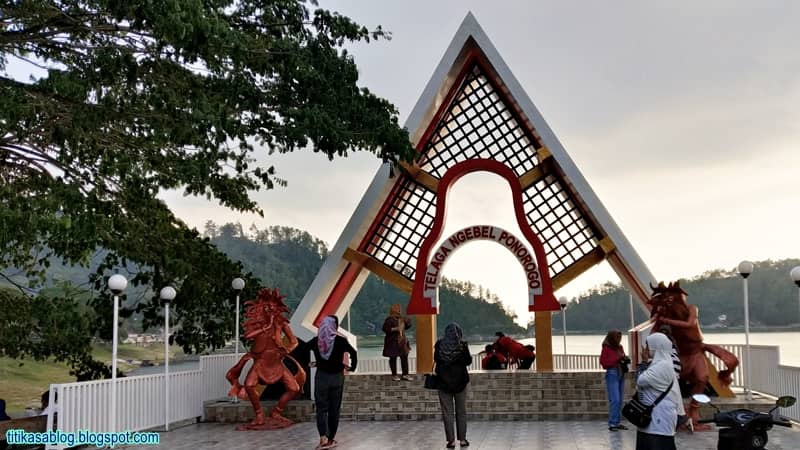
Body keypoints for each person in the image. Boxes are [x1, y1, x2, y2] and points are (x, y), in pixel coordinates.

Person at [308, 315, 357, 450]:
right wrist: (351, 367)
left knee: (321, 409)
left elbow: (300, 349)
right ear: (334, 326)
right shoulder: (341, 341)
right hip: (337, 378)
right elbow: (353, 353)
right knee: (334, 409)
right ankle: (331, 439)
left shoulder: (316, 341)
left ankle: (323, 437)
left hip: (321, 378)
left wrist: (314, 363)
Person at [635, 332, 682, 450]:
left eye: (647, 345)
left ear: (655, 347)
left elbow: (640, 380)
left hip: (658, 422)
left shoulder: (663, 366)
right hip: (651, 420)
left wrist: (644, 362)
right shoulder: (658, 364)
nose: (645, 349)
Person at [434, 322, 472, 449]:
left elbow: (436, 360)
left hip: (443, 383)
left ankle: (450, 441)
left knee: (447, 413)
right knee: (461, 411)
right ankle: (462, 440)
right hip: (460, 383)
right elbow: (468, 361)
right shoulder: (462, 345)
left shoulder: (439, 344)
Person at [600, 330, 630, 431]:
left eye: (620, 337)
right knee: (615, 399)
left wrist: (624, 359)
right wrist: (617, 359)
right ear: (612, 337)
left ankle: (617, 422)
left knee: (620, 399)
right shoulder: (606, 348)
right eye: (617, 337)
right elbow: (604, 363)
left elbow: (621, 357)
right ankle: (612, 423)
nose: (619, 339)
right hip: (612, 373)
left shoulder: (619, 347)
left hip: (620, 372)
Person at [382, 303, 412, 381]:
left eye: (399, 309)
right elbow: (385, 329)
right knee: (393, 358)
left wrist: (406, 321)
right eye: (397, 309)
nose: (399, 311)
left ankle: (405, 374)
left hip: (401, 341)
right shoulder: (389, 319)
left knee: (404, 357)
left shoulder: (402, 319)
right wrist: (395, 329)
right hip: (392, 342)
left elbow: (408, 325)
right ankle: (394, 375)